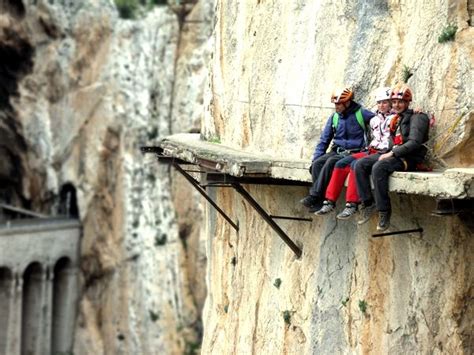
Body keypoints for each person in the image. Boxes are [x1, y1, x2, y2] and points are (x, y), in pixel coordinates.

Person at [354, 83, 430, 231]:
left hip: (409, 158)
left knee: (379, 167)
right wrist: (387, 152)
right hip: (394, 154)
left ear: (408, 102)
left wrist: (391, 154)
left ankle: (384, 211)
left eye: (400, 102)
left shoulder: (418, 117)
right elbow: (391, 141)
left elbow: (414, 142)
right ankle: (368, 203)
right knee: (360, 164)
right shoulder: (396, 119)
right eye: (394, 102)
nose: (397, 105)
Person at [314, 87, 394, 219]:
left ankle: (352, 204)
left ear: (391, 103)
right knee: (341, 164)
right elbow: (324, 139)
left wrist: (414, 111)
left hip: (384, 152)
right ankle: (329, 200)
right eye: (379, 102)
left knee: (355, 165)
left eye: (385, 102)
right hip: (372, 150)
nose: (381, 105)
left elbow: (405, 117)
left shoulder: (395, 117)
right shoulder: (375, 117)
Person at [300, 87, 375, 212]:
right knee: (318, 164)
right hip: (337, 150)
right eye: (335, 104)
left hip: (354, 152)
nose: (336, 106)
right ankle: (319, 201)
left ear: (347, 102)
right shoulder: (335, 117)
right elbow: (324, 140)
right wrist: (316, 158)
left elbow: (382, 120)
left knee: (330, 162)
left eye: (339, 103)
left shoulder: (361, 114)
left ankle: (314, 196)